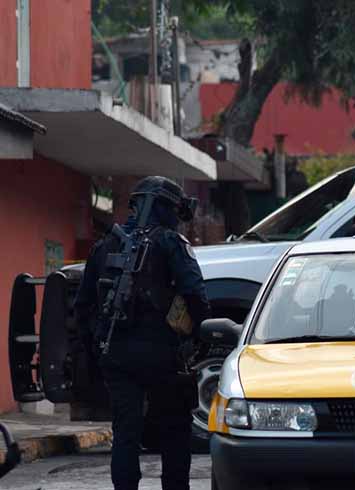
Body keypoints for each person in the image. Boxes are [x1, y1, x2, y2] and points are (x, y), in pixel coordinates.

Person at [74, 176, 211, 490]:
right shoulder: (172, 243)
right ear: (165, 208)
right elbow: (195, 295)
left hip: (116, 354)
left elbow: (83, 307)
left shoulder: (103, 247)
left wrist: (97, 351)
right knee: (175, 431)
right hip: (164, 356)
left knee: (126, 433)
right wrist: (198, 339)